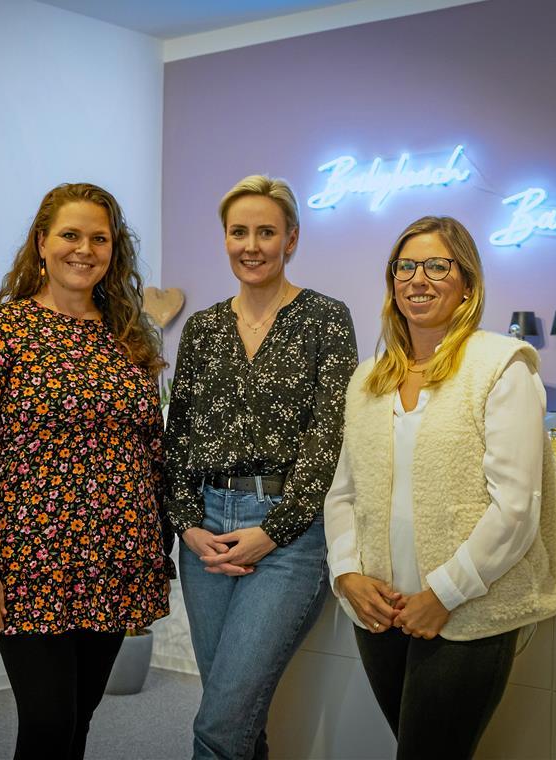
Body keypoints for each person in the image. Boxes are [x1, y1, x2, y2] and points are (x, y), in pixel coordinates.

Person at [324, 215, 556, 759]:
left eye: (437, 266)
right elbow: (344, 491)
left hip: (466, 610)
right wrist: (347, 573)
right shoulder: (369, 377)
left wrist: (442, 594)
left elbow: (516, 507)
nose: (418, 279)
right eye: (405, 267)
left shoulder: (500, 366)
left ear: (466, 282)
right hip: (380, 609)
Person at [0, 182, 173, 760]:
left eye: (100, 238)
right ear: (42, 243)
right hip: (28, 560)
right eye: (70, 235)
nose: (85, 249)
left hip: (116, 556)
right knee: (48, 722)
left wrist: (160, 542)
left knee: (80, 722)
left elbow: (151, 450)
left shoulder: (128, 337)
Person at [163, 175, 358, 760]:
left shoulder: (326, 318)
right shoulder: (202, 328)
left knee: (220, 723)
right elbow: (178, 440)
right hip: (205, 534)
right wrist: (187, 525)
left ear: (291, 239)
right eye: (238, 231)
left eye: (266, 232)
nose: (252, 245)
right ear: (224, 239)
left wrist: (271, 533)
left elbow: (330, 442)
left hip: (288, 534)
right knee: (239, 714)